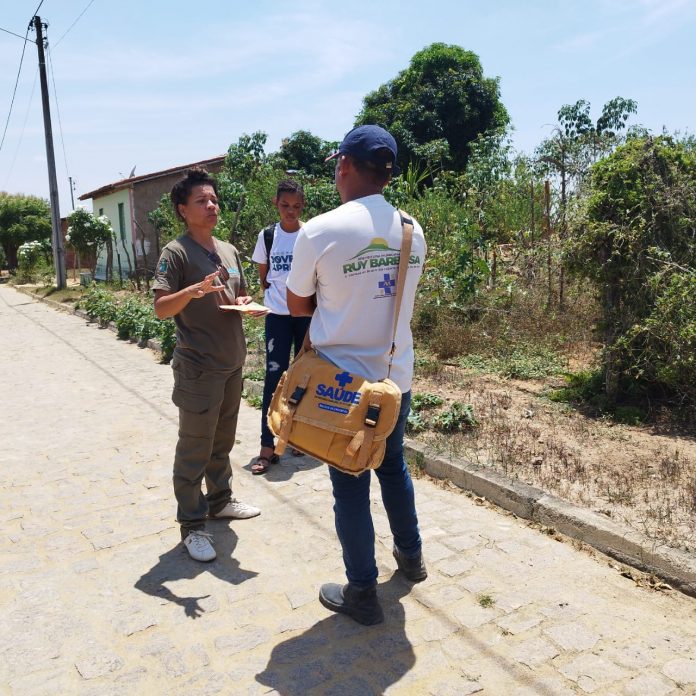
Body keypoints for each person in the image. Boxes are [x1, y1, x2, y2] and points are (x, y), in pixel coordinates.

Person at [286, 125, 428, 625]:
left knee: (349, 487)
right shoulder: (413, 229)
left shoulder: (320, 230)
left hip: (340, 387)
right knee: (392, 467)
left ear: (344, 164)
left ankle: (362, 594)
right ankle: (411, 559)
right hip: (394, 382)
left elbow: (297, 303)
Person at [153, 167, 263, 563]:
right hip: (198, 367)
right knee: (194, 447)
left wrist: (249, 307)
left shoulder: (229, 250)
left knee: (222, 441)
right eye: (202, 200)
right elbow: (162, 308)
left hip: (232, 363)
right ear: (183, 209)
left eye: (214, 199)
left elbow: (242, 294)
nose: (212, 205)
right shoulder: (176, 253)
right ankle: (192, 525)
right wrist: (194, 290)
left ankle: (220, 500)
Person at [250, 180, 311, 474]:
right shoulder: (268, 236)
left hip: (306, 316)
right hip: (277, 315)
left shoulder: (310, 235)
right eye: (285, 205)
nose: (291, 211)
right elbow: (265, 277)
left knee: (303, 377)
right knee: (274, 377)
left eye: (297, 206)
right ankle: (267, 446)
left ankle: (297, 437)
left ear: (303, 207)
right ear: (276, 203)